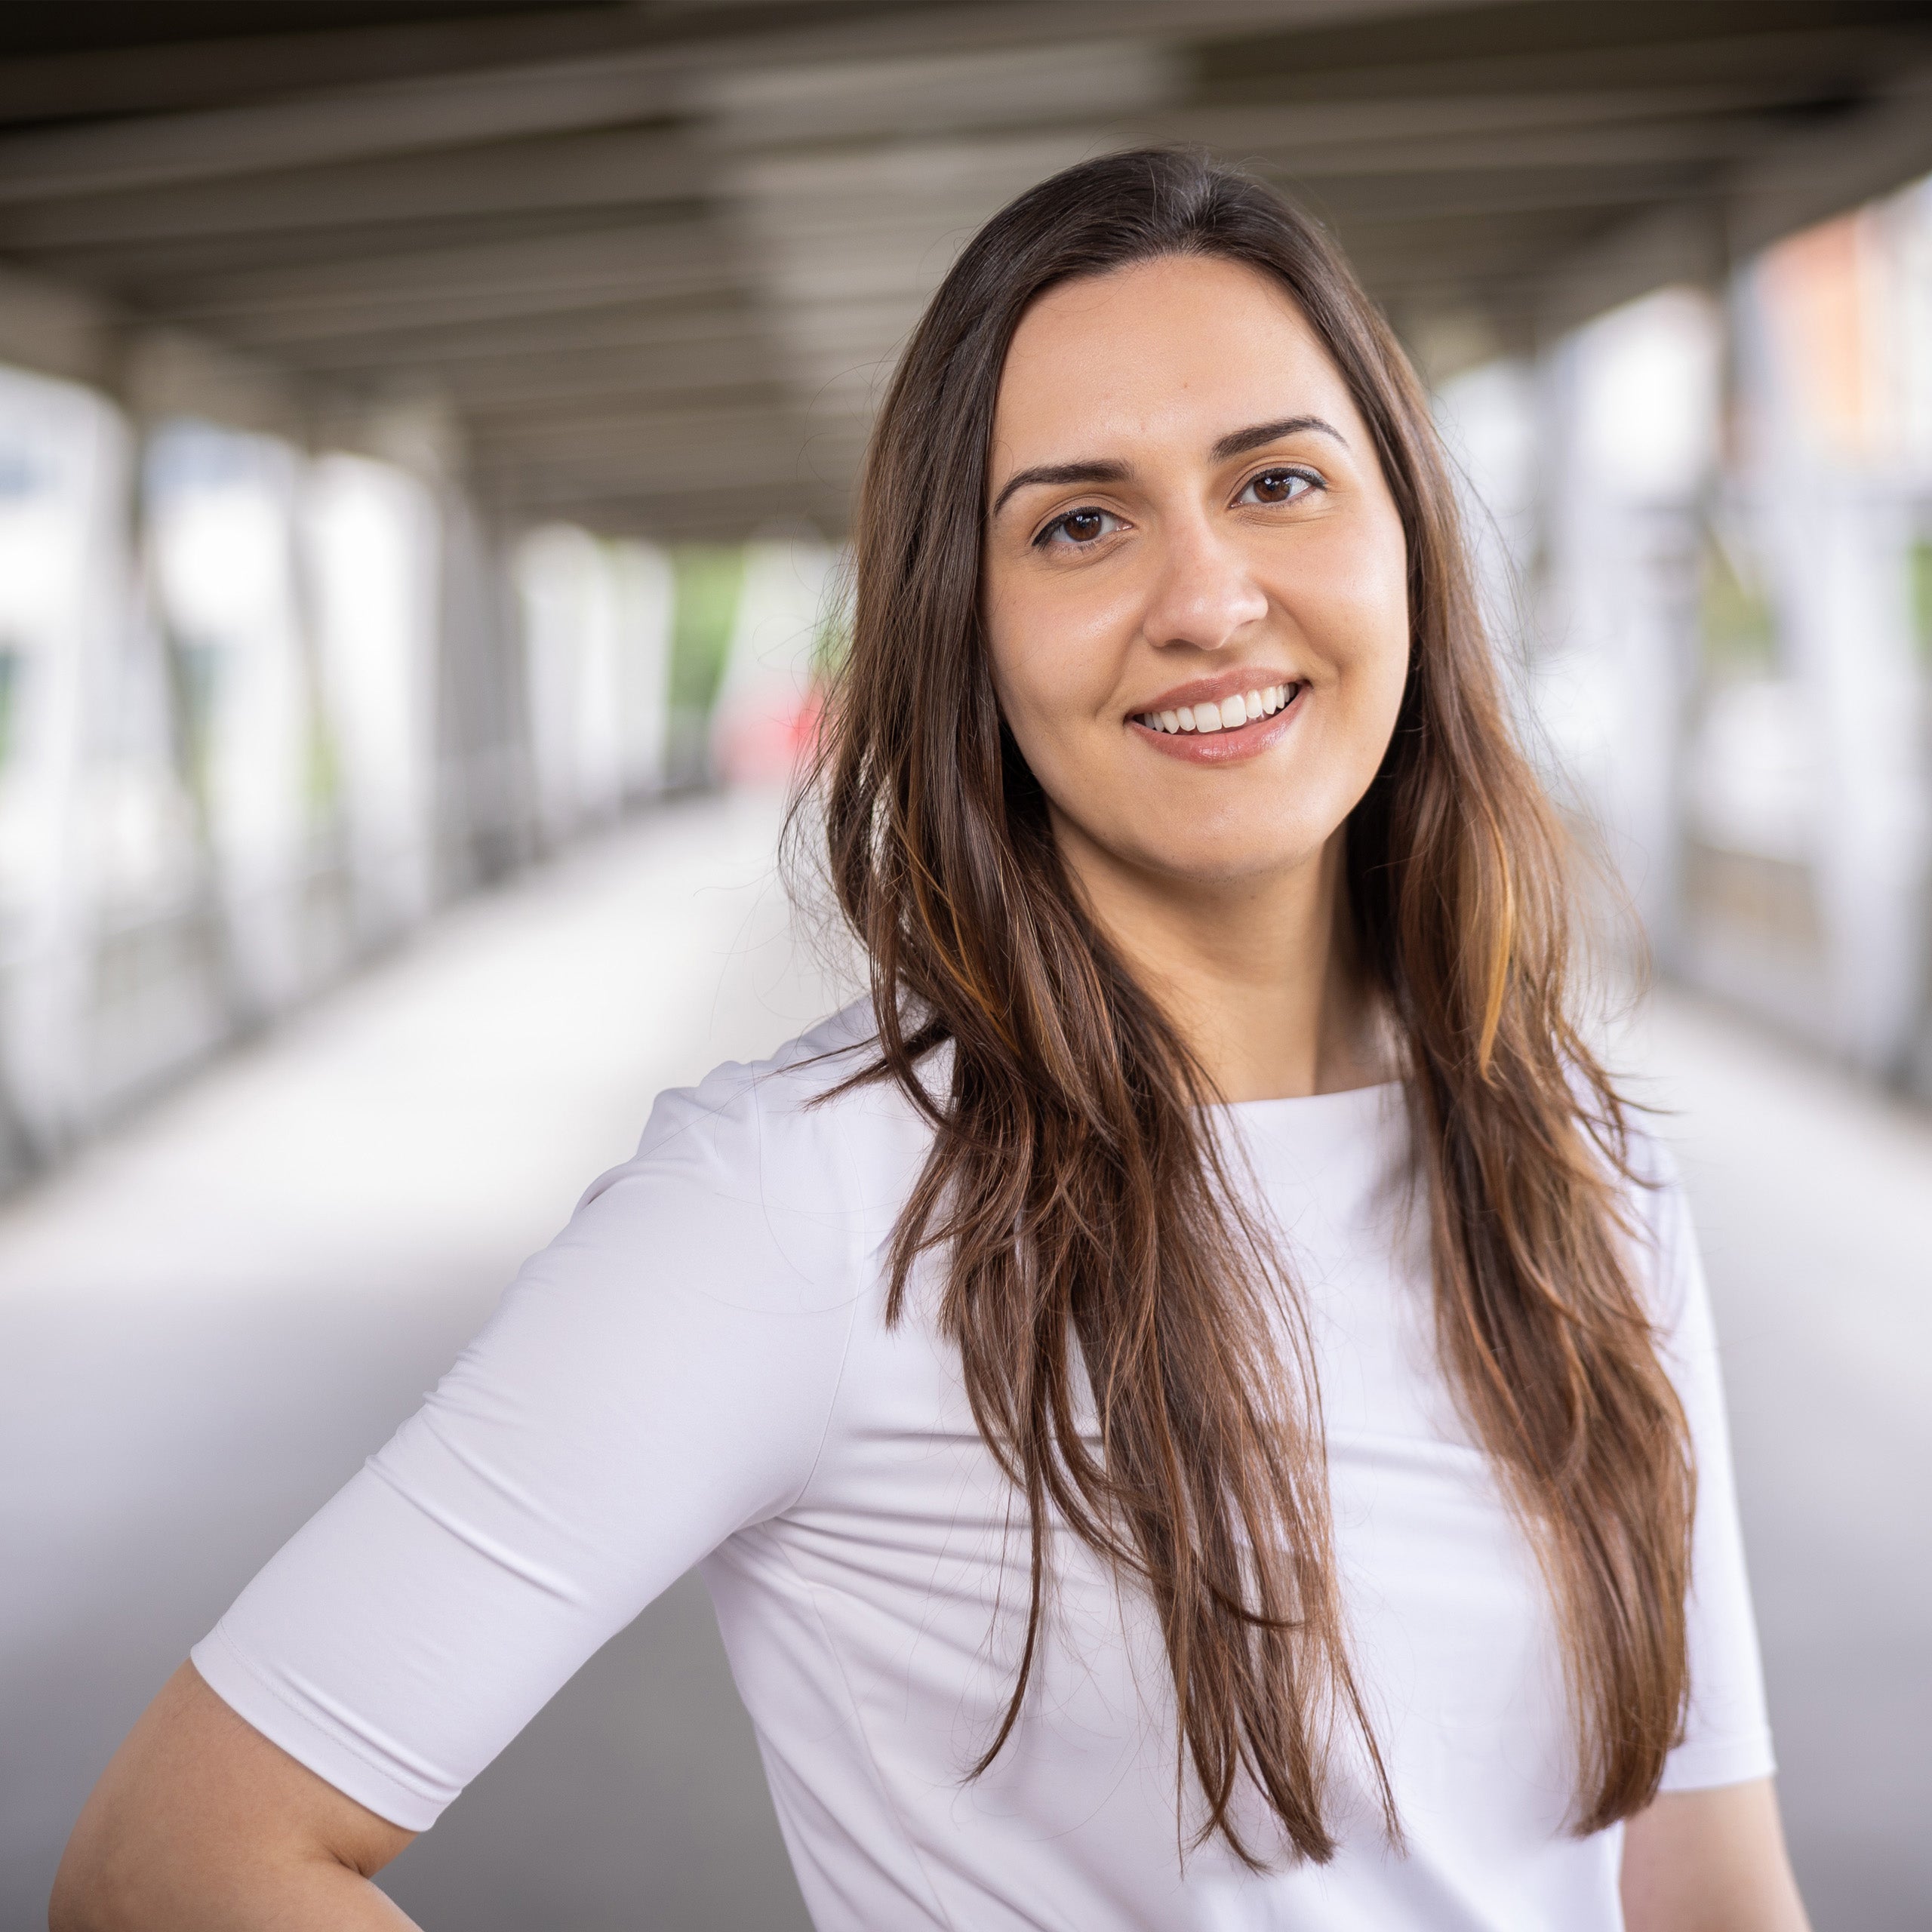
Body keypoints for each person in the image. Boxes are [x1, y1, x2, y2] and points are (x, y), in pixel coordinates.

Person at [51, 149, 1809, 1932]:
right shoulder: (803, 1204)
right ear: (958, 629)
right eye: (1078, 522)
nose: (1204, 598)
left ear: (1409, 543)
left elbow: (1699, 1876)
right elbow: (176, 1857)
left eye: (1276, 480)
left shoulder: (1586, 1172)